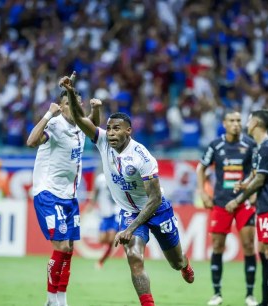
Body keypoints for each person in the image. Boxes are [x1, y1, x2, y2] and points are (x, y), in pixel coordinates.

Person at [60, 72, 194, 306]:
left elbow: (153, 200)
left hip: (157, 210)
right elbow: (82, 121)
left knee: (176, 261)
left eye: (116, 129)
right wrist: (71, 93)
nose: (110, 133)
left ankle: (184, 265)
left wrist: (130, 228)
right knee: (134, 257)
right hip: (129, 212)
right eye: (109, 128)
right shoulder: (102, 141)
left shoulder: (143, 157)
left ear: (128, 131)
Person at [26, 88, 101, 306]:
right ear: (61, 106)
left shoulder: (79, 125)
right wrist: (48, 114)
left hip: (69, 196)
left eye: (77, 105)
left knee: (68, 249)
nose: (73, 109)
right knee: (59, 247)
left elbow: (93, 128)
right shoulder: (55, 124)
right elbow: (31, 141)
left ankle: (61, 300)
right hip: (49, 193)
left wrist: (96, 109)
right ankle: (50, 300)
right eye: (68, 104)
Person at [225, 109, 268, 306]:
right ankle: (266, 299)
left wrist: (238, 199)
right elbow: (255, 173)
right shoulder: (262, 146)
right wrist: (244, 183)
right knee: (263, 249)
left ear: (256, 124)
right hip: (265, 204)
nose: (246, 122)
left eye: (249, 119)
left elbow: (261, 179)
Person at [196, 110, 258, 306]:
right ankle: (217, 294)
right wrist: (203, 193)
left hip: (244, 201)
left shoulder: (250, 144)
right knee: (217, 246)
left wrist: (254, 190)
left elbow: (257, 171)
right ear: (224, 123)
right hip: (221, 202)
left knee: (248, 245)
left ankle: (249, 295)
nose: (236, 124)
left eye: (239, 120)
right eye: (232, 120)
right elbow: (201, 168)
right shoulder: (216, 145)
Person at [86, 171, 120, 269]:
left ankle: (101, 261)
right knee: (102, 239)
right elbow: (95, 192)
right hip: (105, 213)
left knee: (111, 239)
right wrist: (91, 204)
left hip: (116, 212)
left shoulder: (118, 177)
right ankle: (104, 256)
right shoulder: (100, 178)